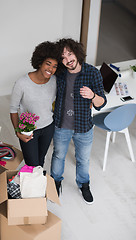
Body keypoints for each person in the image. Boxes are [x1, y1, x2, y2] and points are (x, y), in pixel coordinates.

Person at [51, 38, 107, 204]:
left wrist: (93, 95)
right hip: (61, 125)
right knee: (58, 155)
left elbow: (101, 103)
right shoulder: (59, 74)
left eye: (70, 54)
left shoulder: (92, 73)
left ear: (77, 52)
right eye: (63, 57)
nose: (68, 60)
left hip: (84, 128)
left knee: (83, 159)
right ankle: (55, 181)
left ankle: (83, 184)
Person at [10, 41, 60, 167]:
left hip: (48, 127)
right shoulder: (22, 83)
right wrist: (18, 132)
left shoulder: (55, 81)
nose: (51, 69)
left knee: (40, 161)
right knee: (31, 164)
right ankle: (32, 183)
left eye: (55, 66)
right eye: (48, 64)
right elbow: (13, 109)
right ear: (40, 62)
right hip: (28, 129)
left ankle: (38, 184)